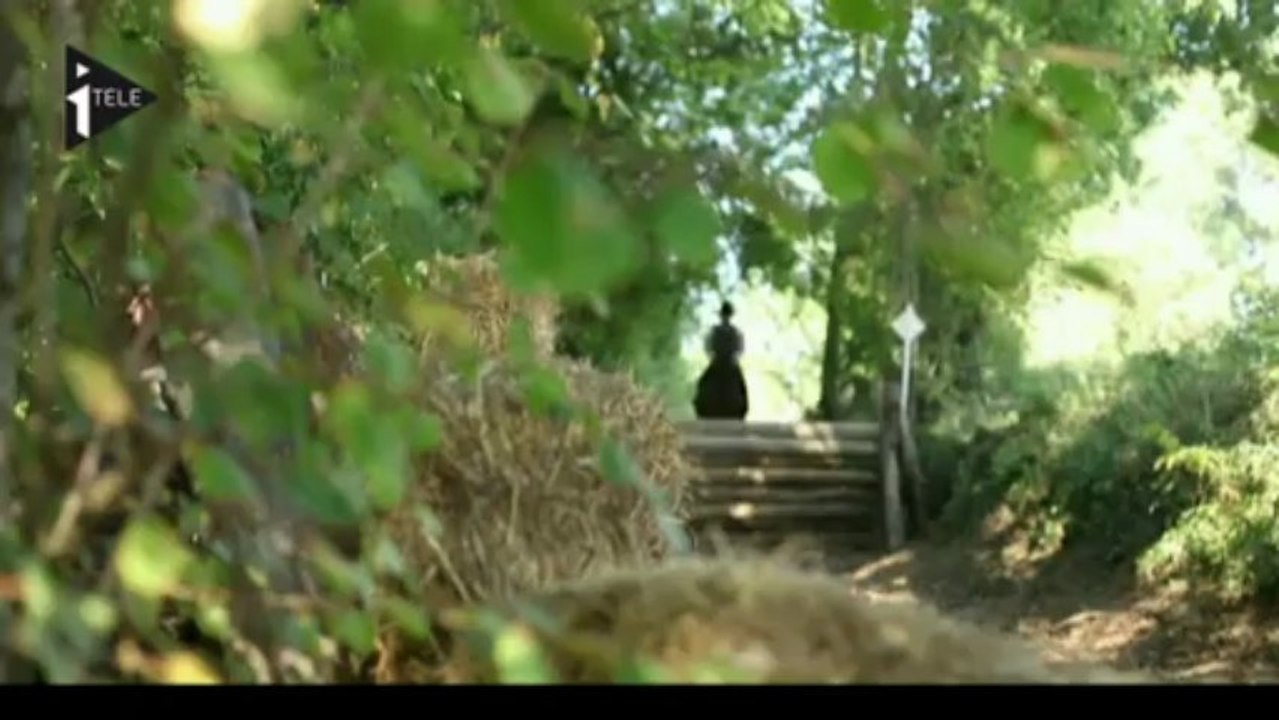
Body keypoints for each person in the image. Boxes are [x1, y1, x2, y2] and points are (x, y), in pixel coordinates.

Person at [693, 301, 749, 419]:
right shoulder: (736, 332)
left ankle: (703, 407)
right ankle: (740, 409)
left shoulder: (715, 331)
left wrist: (713, 355)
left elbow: (707, 347)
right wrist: (734, 357)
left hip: (718, 361)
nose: (725, 317)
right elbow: (740, 349)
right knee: (740, 386)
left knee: (703, 382)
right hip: (728, 362)